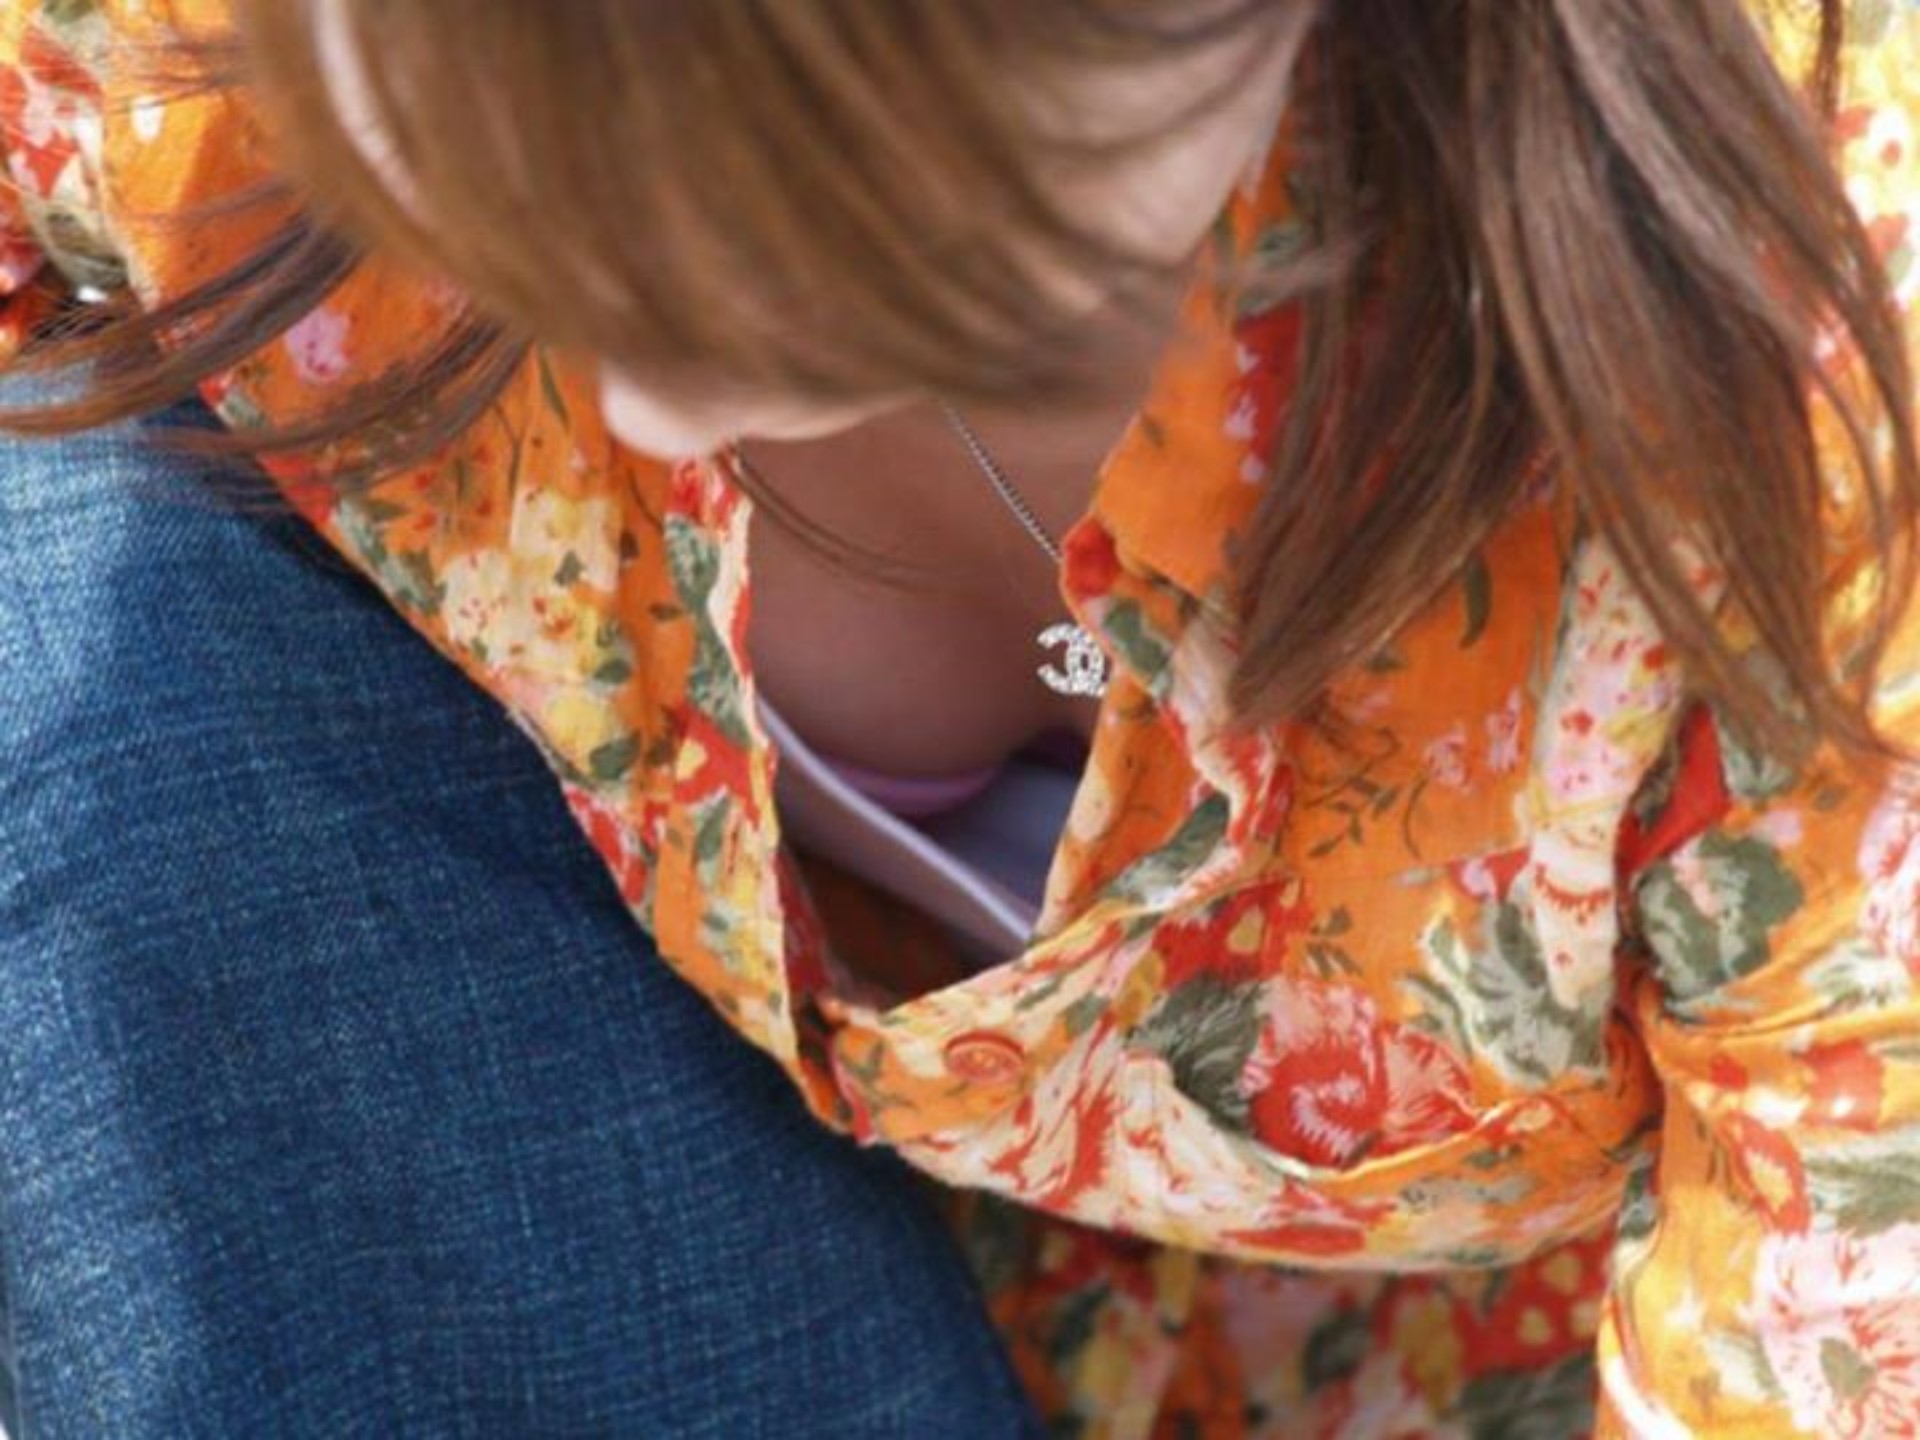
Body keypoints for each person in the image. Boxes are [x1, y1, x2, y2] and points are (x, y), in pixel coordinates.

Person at [3, 0, 1919, 1435]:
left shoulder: (1817, 408)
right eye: (472, 182)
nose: (647, 414)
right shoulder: (198, 49)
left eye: (760, 249)